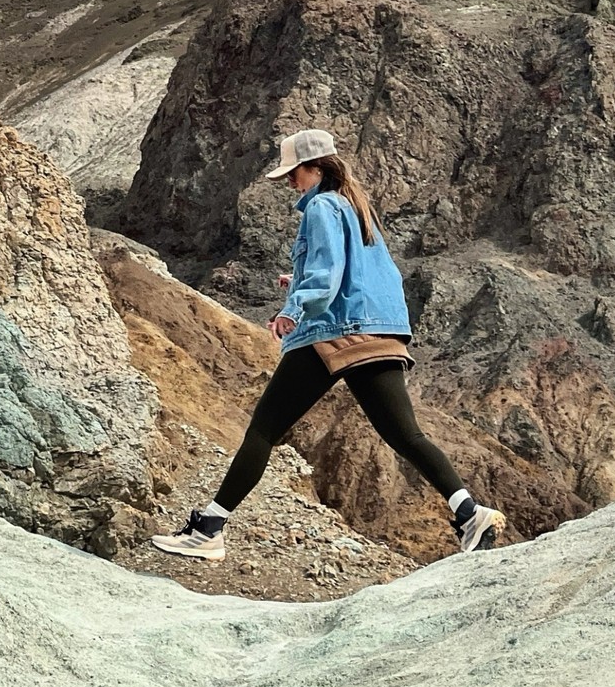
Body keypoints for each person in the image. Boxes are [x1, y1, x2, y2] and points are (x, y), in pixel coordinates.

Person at [152, 127, 503, 563]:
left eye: (293, 173)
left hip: (331, 333)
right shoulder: (358, 207)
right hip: (379, 332)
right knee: (405, 434)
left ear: (315, 168)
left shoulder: (321, 206)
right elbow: (367, 273)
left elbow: (328, 271)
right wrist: (297, 280)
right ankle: (469, 512)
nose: (289, 183)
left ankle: (208, 530)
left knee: (264, 429)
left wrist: (293, 308)